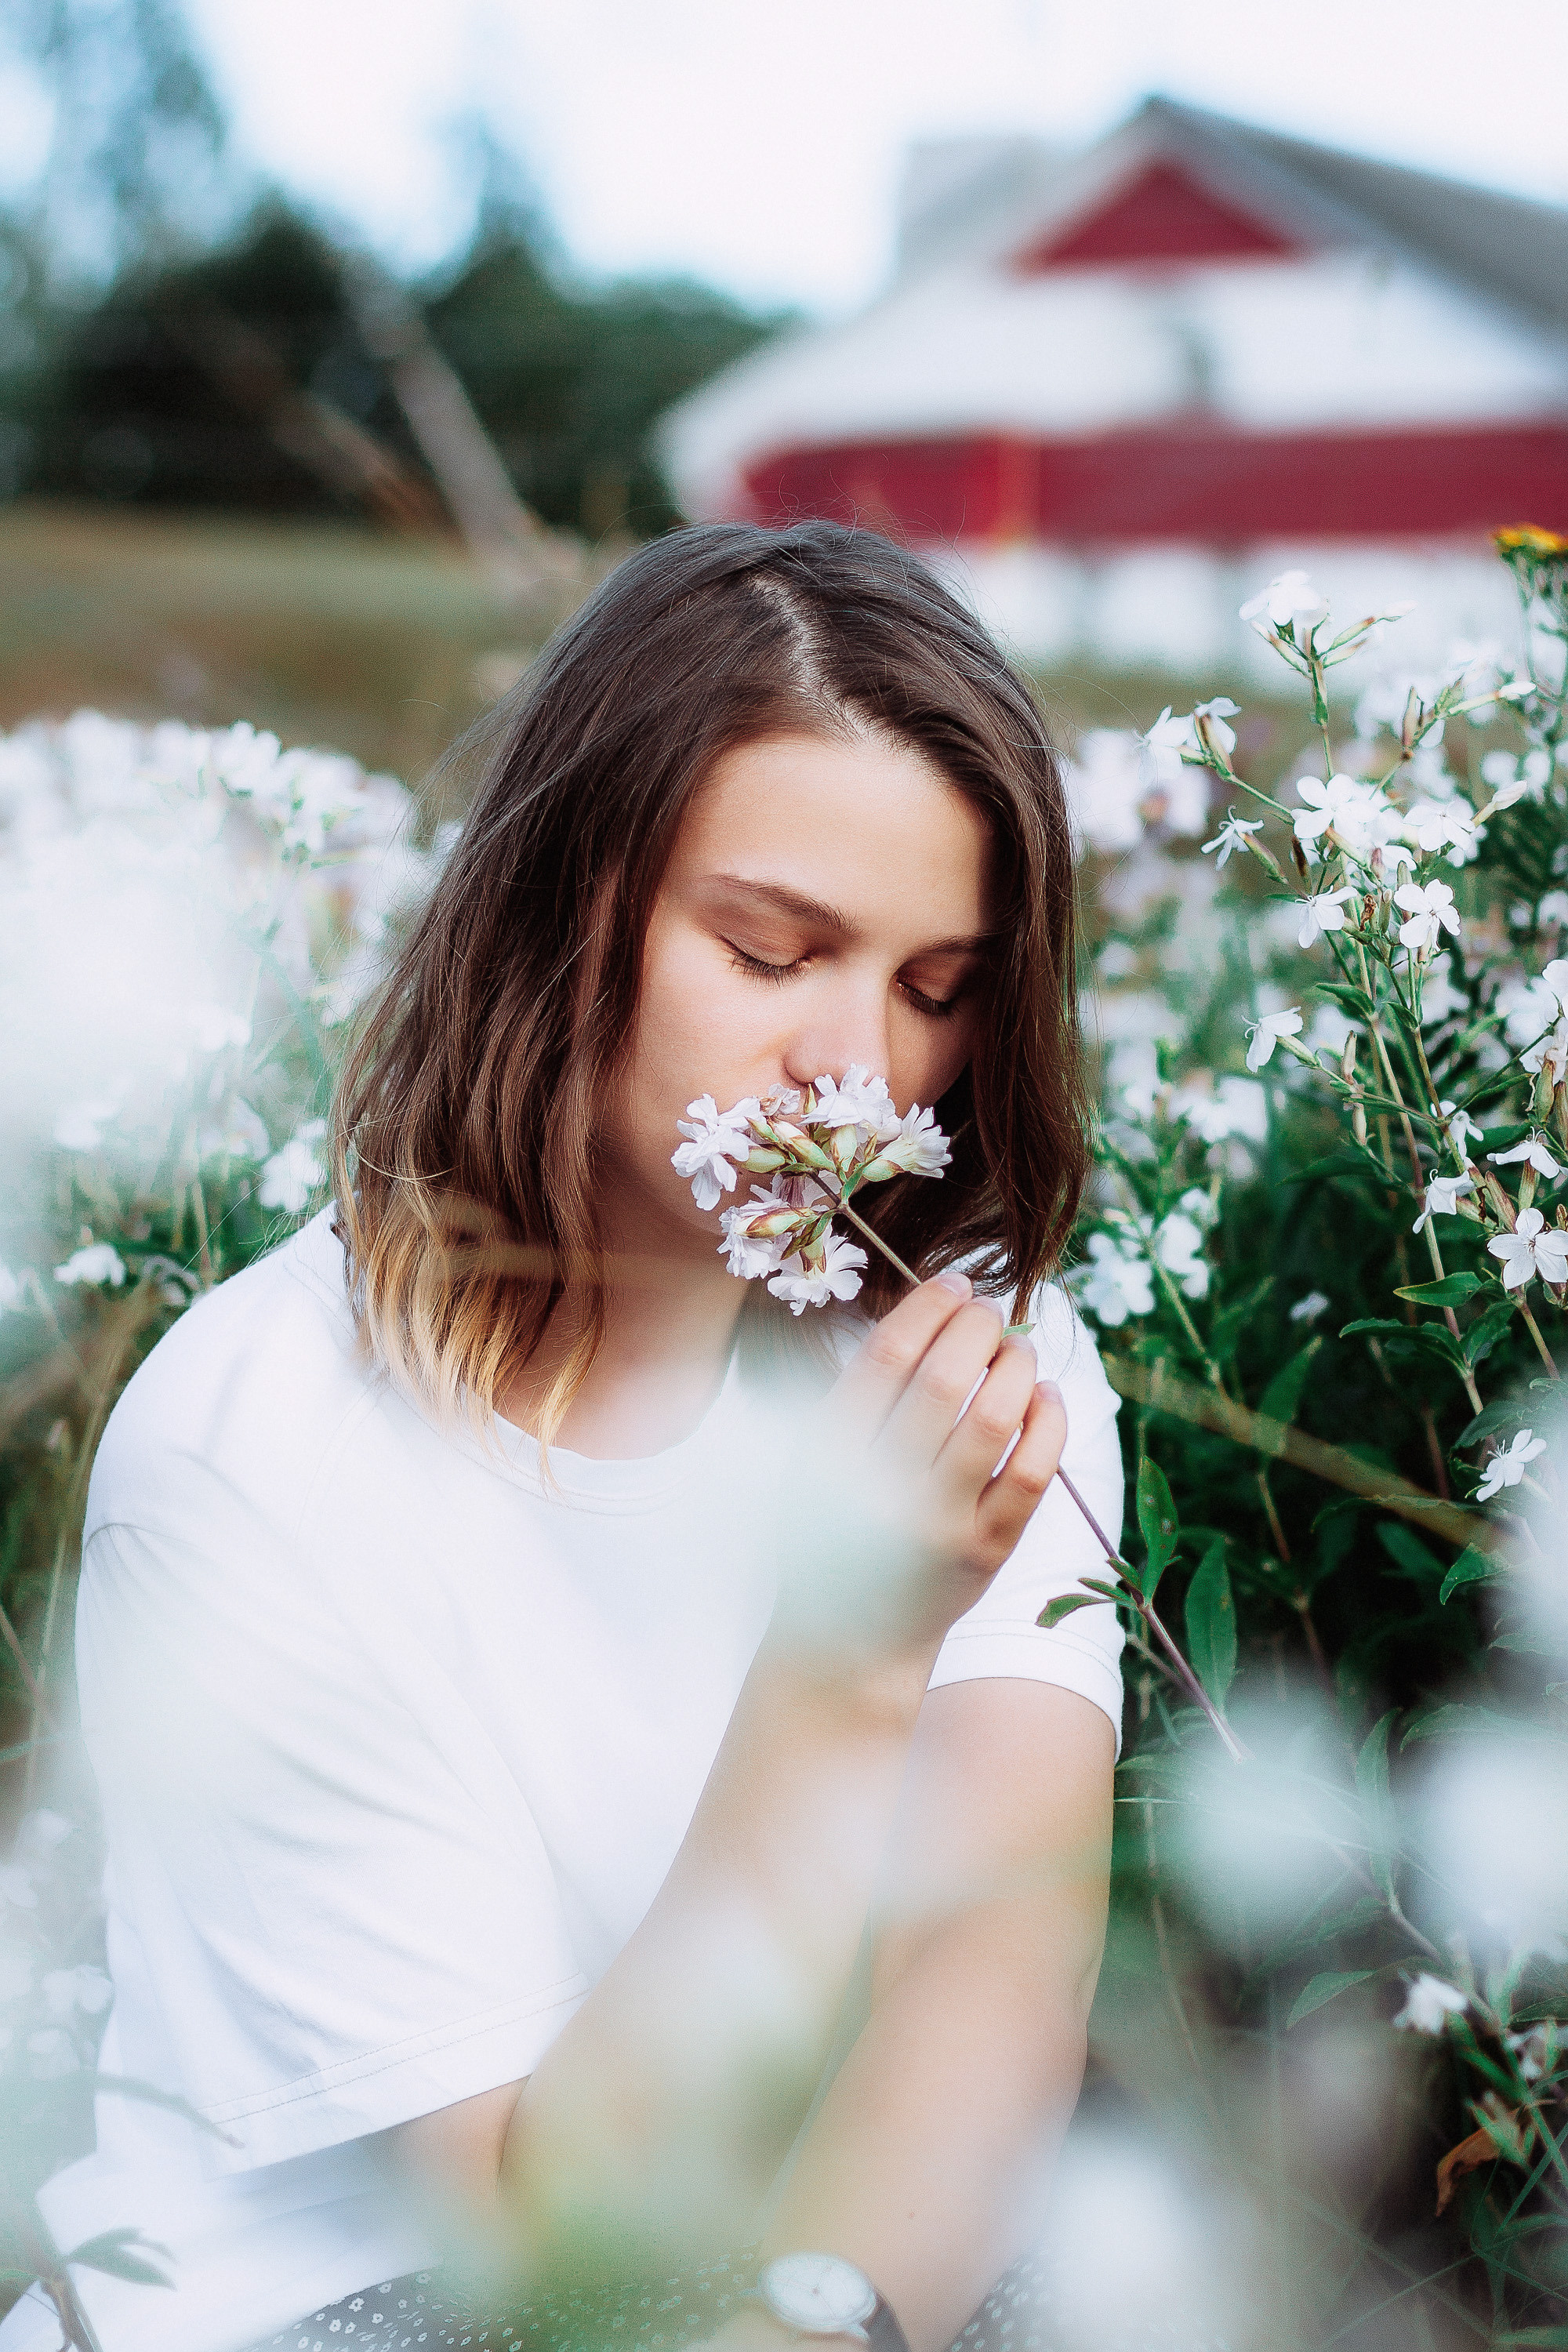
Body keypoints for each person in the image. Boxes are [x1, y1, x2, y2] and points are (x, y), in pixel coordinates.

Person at [2, 524, 1125, 2352]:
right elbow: (557, 2227)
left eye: (936, 989)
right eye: (771, 952)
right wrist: (855, 1639)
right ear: (561, 905)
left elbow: (990, 1972)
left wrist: (815, 2325)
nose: (857, 1074)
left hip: (795, 2248)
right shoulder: (251, 1453)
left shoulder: (965, 1339)